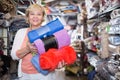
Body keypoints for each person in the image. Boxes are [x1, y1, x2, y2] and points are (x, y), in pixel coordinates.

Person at [11, 4, 65, 80]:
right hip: (25, 75)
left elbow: (58, 54)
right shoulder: (21, 32)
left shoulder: (50, 32)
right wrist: (27, 49)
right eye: (32, 14)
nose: (35, 17)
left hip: (45, 75)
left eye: (39, 14)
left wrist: (59, 62)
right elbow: (14, 56)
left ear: (43, 17)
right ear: (28, 17)